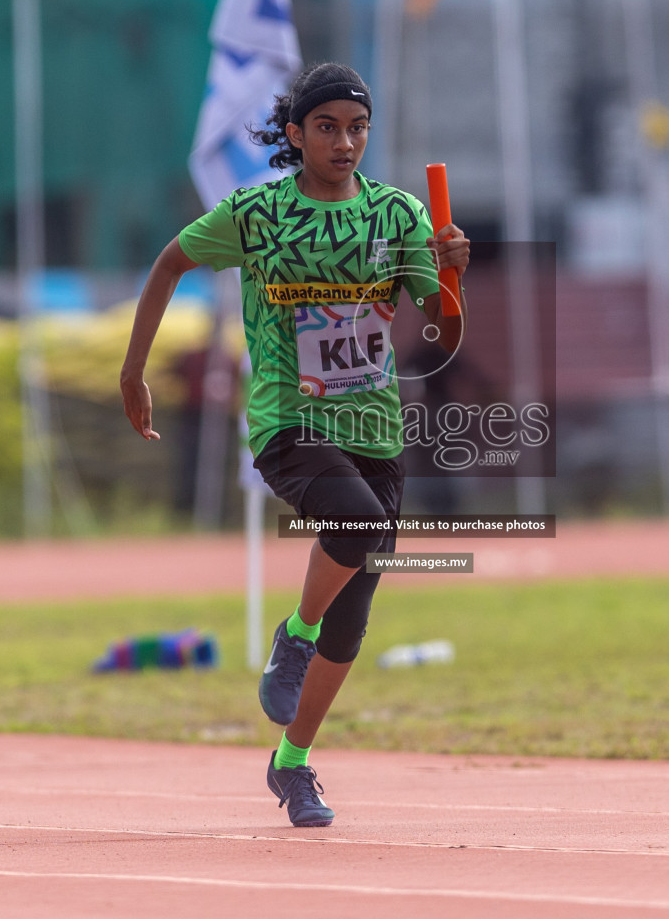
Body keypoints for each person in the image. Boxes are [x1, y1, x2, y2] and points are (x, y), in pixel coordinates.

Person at [119, 62, 469, 827]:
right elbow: (169, 264)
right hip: (290, 420)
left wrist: (450, 277)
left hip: (376, 429)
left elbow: (440, 331)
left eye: (358, 128)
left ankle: (292, 763)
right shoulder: (256, 214)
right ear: (295, 134)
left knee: (354, 623)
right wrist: (133, 369)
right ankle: (294, 634)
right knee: (354, 525)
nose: (345, 142)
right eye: (328, 127)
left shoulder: (400, 214)